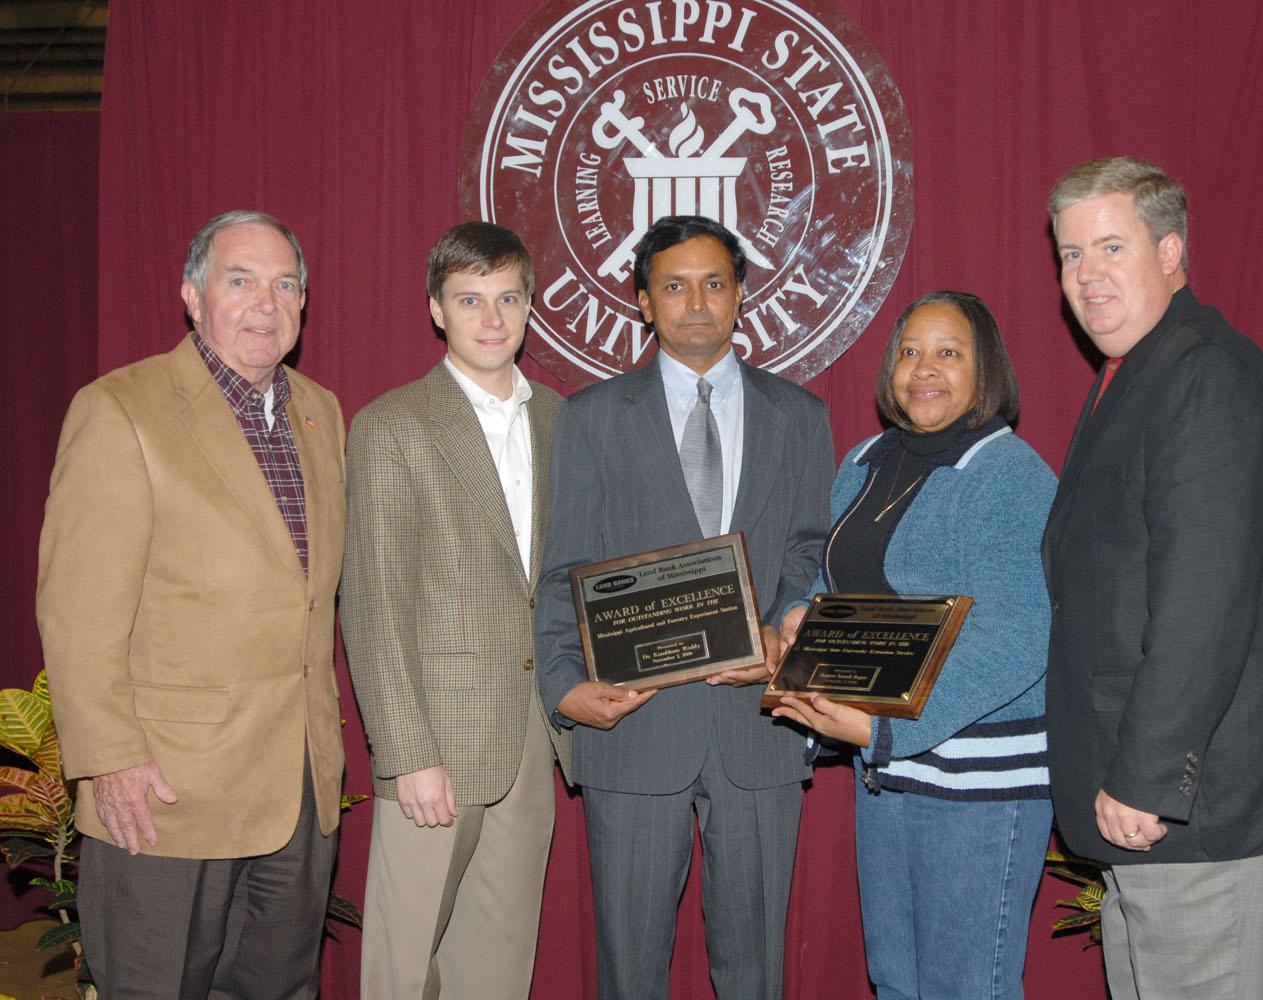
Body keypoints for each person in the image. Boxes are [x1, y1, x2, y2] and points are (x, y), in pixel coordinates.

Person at [1041, 156, 1263, 999]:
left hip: (1198, 805)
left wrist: (1144, 779)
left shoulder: (1203, 373)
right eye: (1070, 255)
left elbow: (1202, 601)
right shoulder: (1138, 377)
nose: (1086, 276)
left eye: (1111, 247)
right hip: (1160, 808)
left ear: (1172, 252)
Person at [36, 210, 346, 997]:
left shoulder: (320, 411)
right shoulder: (121, 409)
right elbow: (77, 612)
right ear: (192, 297)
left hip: (296, 789)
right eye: (239, 281)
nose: (265, 304)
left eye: (285, 285)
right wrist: (110, 758)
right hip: (165, 793)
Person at [534, 214, 835, 1000]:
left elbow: (811, 549)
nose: (695, 302)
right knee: (629, 969)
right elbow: (565, 564)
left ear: (740, 296)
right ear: (642, 301)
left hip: (759, 726)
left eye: (713, 283)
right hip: (634, 726)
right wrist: (563, 687)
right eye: (673, 285)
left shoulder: (800, 416)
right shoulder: (593, 417)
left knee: (757, 969)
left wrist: (783, 626)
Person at [772, 291, 1057, 1000]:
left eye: (948, 353)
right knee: (897, 982)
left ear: (984, 368)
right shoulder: (866, 458)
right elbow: (830, 575)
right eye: (909, 351)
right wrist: (798, 616)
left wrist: (888, 729)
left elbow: (1020, 636)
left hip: (977, 782)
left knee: (969, 988)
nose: (923, 369)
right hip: (888, 773)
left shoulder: (1011, 474)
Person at [341, 221, 571, 999]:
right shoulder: (392, 425)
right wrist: (406, 753)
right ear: (437, 309)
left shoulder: (561, 422)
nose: (492, 318)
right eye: (470, 300)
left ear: (530, 304)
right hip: (434, 746)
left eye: (508, 298)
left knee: (497, 968)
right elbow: (373, 604)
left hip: (532, 741)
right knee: (401, 971)